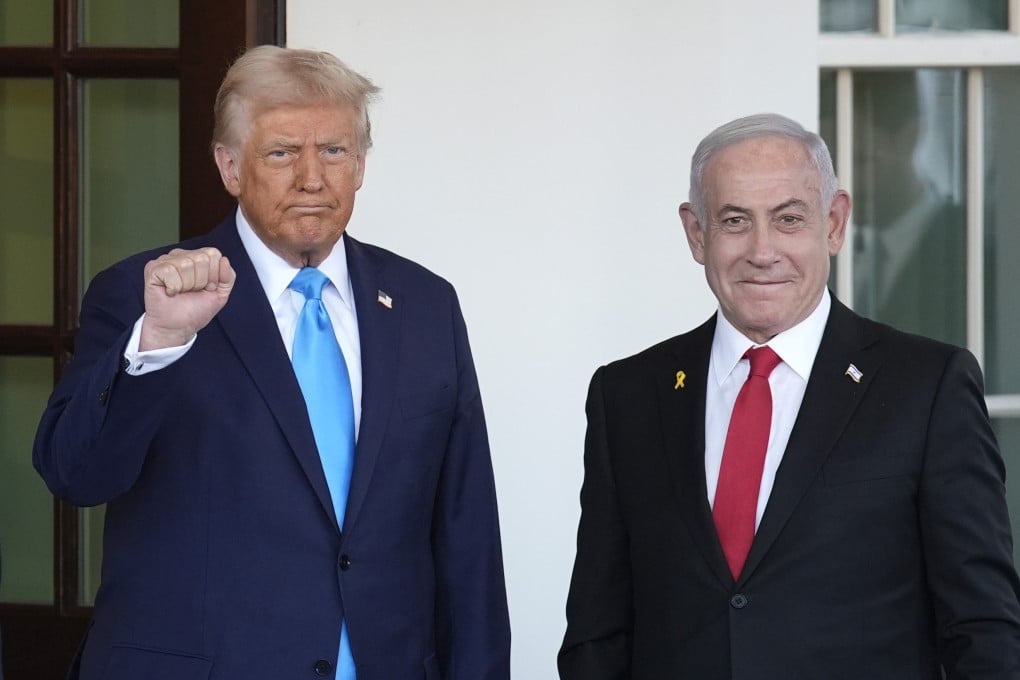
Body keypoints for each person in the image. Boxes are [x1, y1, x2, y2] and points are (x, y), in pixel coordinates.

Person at [34, 45, 510, 680]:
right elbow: (77, 475)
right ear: (230, 167)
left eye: (334, 152)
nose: (312, 178)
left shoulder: (425, 304)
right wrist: (161, 341)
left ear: (361, 164)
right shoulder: (144, 294)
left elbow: (466, 529)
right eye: (283, 152)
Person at [558, 112, 1020, 679]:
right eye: (734, 221)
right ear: (696, 234)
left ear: (834, 223)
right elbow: (596, 632)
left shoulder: (927, 386)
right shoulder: (627, 394)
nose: (762, 251)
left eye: (789, 219)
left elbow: (983, 628)